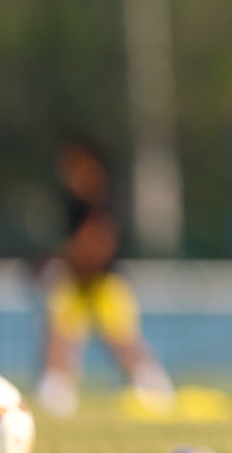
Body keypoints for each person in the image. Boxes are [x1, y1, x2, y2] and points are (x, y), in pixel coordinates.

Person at [34, 136, 175, 417]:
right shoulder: (71, 202)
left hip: (105, 280)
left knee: (121, 337)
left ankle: (152, 386)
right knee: (60, 334)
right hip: (74, 281)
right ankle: (57, 391)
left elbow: (97, 245)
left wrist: (65, 258)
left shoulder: (105, 199)